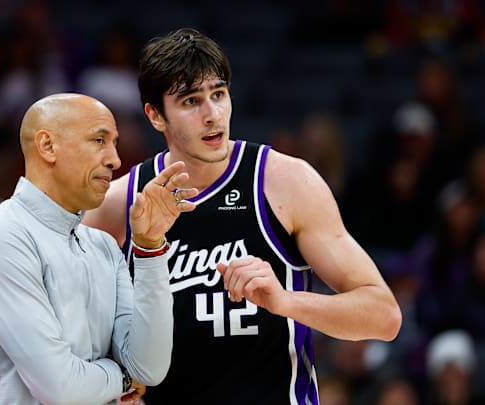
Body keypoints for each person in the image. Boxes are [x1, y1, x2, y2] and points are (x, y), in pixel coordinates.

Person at [82, 28, 402, 404]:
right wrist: (112, 379)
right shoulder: (119, 205)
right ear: (155, 116)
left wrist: (285, 302)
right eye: (190, 101)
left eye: (218, 95)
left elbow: (384, 316)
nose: (212, 115)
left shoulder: (285, 182)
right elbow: (76, 335)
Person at [0, 93, 199, 405]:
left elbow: (150, 368)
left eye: (114, 142)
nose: (115, 159)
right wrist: (124, 378)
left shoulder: (104, 246)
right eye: (99, 140)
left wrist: (150, 248)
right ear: (47, 146)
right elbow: (60, 388)